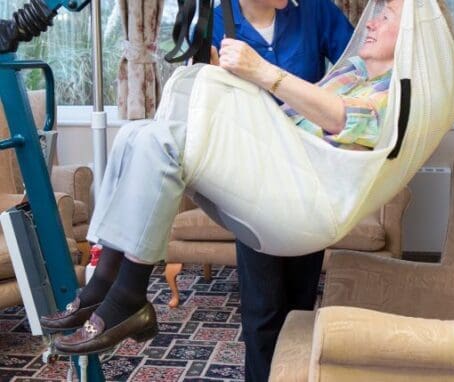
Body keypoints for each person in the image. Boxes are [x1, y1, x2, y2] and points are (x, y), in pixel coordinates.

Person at [41, 0, 403, 359]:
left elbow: (352, 111)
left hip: (301, 184)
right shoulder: (344, 69)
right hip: (253, 168)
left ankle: (126, 294)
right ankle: (106, 286)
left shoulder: (338, 35)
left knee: (296, 307)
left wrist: (261, 71)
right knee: (134, 136)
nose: (368, 25)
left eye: (384, 17)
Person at [177, 1, 353, 380]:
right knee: (263, 308)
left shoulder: (316, 11)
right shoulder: (213, 23)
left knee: (301, 304)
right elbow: (200, 105)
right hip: (250, 185)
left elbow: (356, 73)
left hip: (308, 180)